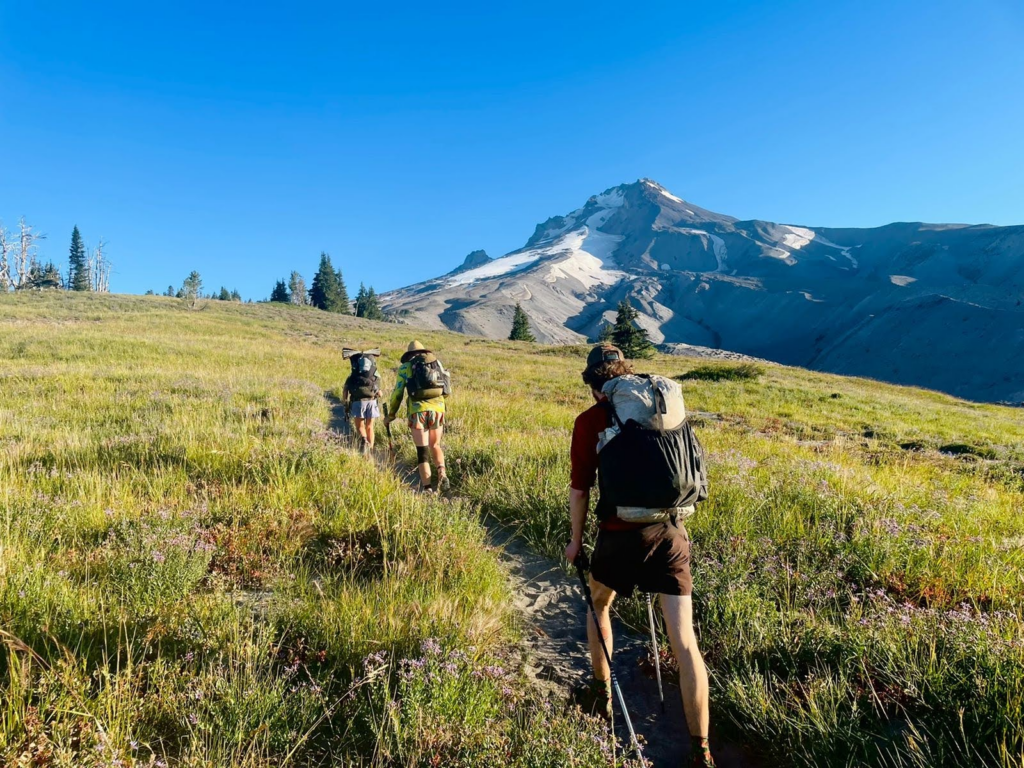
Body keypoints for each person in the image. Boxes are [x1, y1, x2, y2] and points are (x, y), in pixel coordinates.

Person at [565, 344, 715, 768]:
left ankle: (601, 692)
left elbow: (581, 490)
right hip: (671, 534)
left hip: (619, 536)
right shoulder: (665, 414)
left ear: (597, 386)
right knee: (685, 642)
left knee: (599, 604)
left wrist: (576, 541)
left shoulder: (591, 421)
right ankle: (701, 749)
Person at [384, 340, 450, 492]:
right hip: (438, 410)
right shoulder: (436, 363)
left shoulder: (405, 368)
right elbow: (446, 390)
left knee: (422, 451)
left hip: (417, 411)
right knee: (435, 445)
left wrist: (391, 415)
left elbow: (397, 393)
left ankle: (427, 489)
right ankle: (442, 472)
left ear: (409, 355)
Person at [342, 348, 382, 456]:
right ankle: (371, 451)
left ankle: (364, 441)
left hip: (357, 402)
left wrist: (345, 403)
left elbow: (345, 391)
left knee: (360, 427)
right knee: (370, 427)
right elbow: (380, 393)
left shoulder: (352, 377)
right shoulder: (374, 376)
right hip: (372, 402)